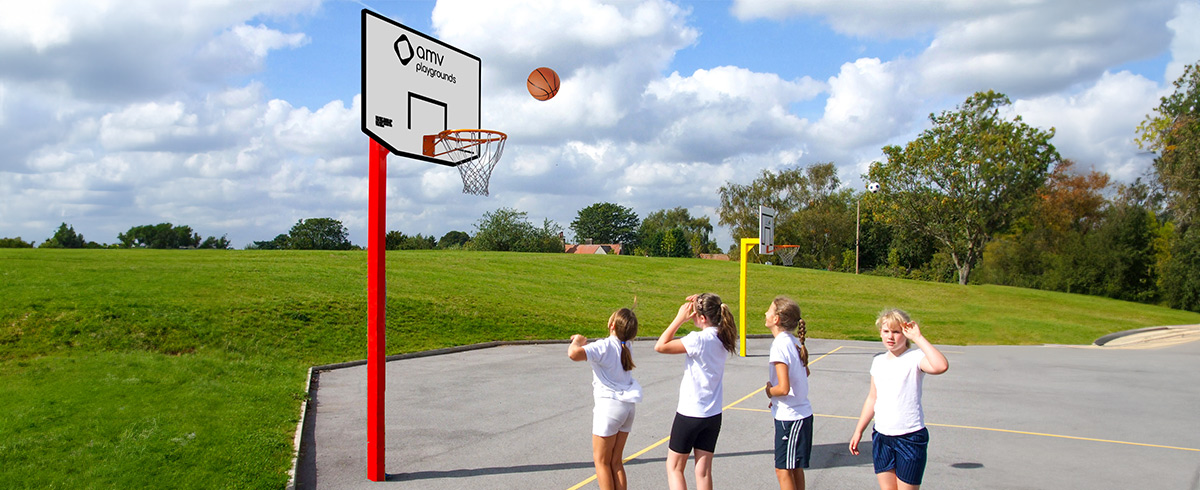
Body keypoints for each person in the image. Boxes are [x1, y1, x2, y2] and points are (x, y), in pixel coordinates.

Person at [848, 309, 950, 490]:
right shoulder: (878, 361)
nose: (890, 337)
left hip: (909, 437)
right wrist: (858, 431)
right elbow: (873, 398)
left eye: (896, 332)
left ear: (906, 334)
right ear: (880, 332)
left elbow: (941, 365)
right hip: (882, 436)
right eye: (886, 331)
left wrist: (918, 338)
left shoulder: (915, 358)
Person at [654, 293, 739, 490]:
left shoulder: (698, 340)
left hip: (690, 413)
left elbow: (661, 346)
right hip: (712, 414)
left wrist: (679, 319)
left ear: (702, 318)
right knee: (703, 472)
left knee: (674, 467)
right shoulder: (723, 337)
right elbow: (712, 309)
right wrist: (702, 300)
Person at [568, 308, 642, 490]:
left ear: (612, 325)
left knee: (601, 462)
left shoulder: (604, 346)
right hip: (628, 407)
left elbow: (573, 354)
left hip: (609, 408)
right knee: (616, 461)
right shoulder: (627, 346)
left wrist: (577, 341)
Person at [762, 296, 813, 490]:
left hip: (791, 419)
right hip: (798, 414)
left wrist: (769, 391)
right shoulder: (793, 342)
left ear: (776, 319)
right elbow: (804, 373)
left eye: (769, 311)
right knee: (794, 469)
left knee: (783, 470)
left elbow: (783, 388)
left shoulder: (780, 345)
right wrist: (776, 400)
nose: (765, 314)